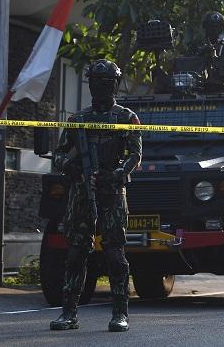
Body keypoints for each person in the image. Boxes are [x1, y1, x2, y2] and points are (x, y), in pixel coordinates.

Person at [49, 59, 142, 332]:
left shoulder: (127, 118)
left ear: (115, 84)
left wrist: (116, 173)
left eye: (106, 82)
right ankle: (68, 313)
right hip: (81, 192)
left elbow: (135, 154)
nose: (100, 87)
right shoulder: (78, 120)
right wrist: (72, 165)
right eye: (95, 82)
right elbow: (59, 154)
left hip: (112, 192)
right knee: (76, 253)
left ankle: (120, 313)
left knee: (115, 254)